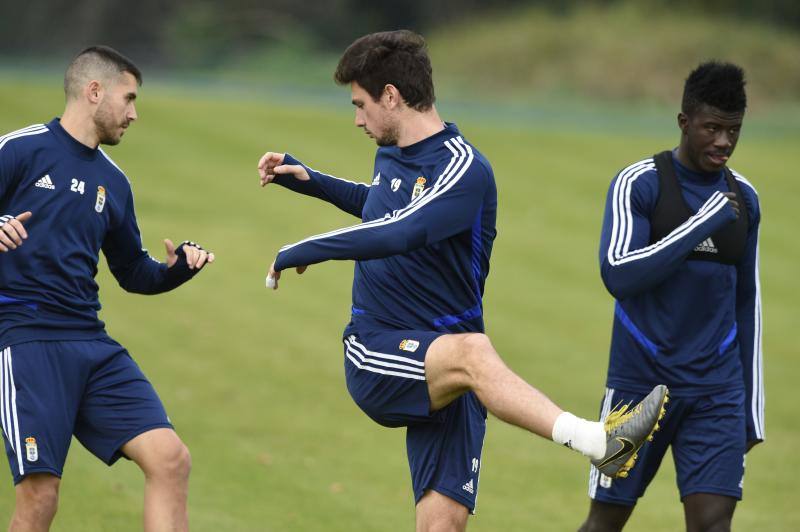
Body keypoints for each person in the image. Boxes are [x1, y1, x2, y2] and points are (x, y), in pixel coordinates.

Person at [257, 30, 667, 531]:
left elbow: (404, 230)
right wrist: (312, 180)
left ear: (392, 95)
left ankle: (599, 443)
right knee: (473, 354)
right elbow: (386, 206)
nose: (358, 119)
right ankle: (598, 442)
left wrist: (305, 248)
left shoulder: (465, 170)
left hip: (455, 365)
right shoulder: (393, 152)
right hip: (378, 350)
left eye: (360, 104)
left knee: (441, 526)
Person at [0, 45, 214, 531]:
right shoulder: (19, 150)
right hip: (26, 338)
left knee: (170, 459)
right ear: (94, 91)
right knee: (40, 497)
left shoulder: (114, 183)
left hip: (91, 343)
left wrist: (177, 268)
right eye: (129, 98)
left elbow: (134, 272)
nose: (134, 114)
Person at [579, 61, 764, 532]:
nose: (723, 141)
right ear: (684, 123)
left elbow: (747, 301)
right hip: (637, 389)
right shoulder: (639, 183)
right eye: (712, 128)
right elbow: (618, 273)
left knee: (712, 525)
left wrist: (749, 408)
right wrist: (699, 225)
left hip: (715, 392)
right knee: (605, 523)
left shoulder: (745, 201)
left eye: (733, 130)